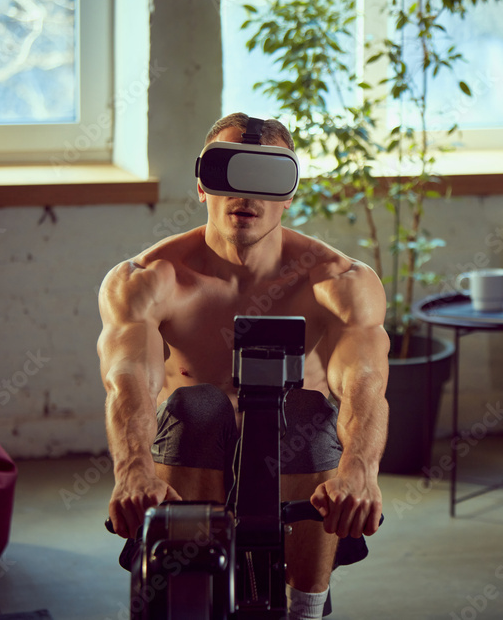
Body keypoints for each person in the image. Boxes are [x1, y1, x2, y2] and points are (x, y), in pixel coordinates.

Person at [97, 112, 389, 619]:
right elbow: (128, 380)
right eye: (229, 172)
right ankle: (184, 599)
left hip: (294, 464)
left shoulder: (340, 283)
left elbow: (365, 381)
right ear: (202, 184)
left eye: (267, 177)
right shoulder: (148, 280)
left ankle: (304, 610)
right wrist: (133, 469)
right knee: (198, 405)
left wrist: (360, 470)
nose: (246, 196)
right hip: (190, 459)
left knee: (306, 410)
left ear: (289, 193)